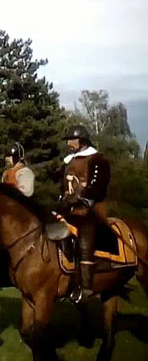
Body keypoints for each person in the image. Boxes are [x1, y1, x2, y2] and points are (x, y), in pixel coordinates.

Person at [59, 125, 110, 303]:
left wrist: (79, 198)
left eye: (72, 140)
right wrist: (62, 201)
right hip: (71, 210)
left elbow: (97, 188)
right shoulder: (68, 162)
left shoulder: (97, 159)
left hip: (91, 210)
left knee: (85, 237)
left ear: (82, 141)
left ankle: (86, 287)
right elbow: (64, 187)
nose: (69, 143)